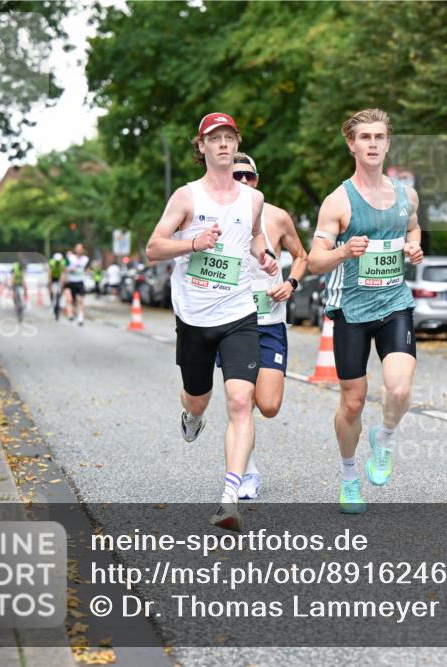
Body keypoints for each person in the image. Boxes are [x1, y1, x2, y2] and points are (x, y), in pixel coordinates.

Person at [145, 112, 277, 532]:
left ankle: (229, 499)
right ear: (200, 147)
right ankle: (191, 414)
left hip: (239, 313)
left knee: (241, 402)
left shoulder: (252, 199)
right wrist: (192, 243)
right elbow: (153, 248)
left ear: (236, 144)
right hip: (195, 317)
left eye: (228, 137)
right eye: (213, 138)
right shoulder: (187, 197)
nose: (222, 144)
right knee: (197, 397)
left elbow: (254, 233)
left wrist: (262, 253)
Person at [307, 108, 424, 514]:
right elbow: (314, 260)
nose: (373, 144)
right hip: (351, 310)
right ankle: (349, 475)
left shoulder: (405, 195)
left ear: (388, 142)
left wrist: (413, 246)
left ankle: (385, 439)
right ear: (351, 144)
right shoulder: (338, 201)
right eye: (365, 138)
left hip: (394, 304)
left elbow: (412, 227)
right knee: (353, 403)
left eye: (379, 137)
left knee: (400, 389)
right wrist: (343, 250)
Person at [229, 152, 308, 500]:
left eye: (249, 176)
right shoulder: (215, 216)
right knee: (240, 401)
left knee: (269, 405)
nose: (244, 182)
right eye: (236, 176)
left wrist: (291, 284)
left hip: (271, 322)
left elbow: (302, 256)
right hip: (232, 323)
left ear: (257, 180)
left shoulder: (276, 217)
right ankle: (246, 471)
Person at [65, 243, 89, 325]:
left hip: (80, 281)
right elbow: (64, 268)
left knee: (80, 300)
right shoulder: (70, 258)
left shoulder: (85, 259)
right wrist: (70, 269)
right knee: (70, 300)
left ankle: (80, 317)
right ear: (75, 249)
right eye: (77, 248)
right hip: (71, 281)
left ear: (82, 250)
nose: (79, 250)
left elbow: (87, 269)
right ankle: (70, 314)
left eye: (80, 249)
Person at [48, 252, 66, 318]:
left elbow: (63, 272)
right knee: (51, 291)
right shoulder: (52, 262)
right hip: (53, 277)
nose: (58, 262)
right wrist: (50, 282)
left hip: (59, 277)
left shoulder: (63, 262)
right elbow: (50, 273)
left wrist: (62, 281)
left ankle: (60, 300)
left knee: (61, 289)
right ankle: (52, 303)